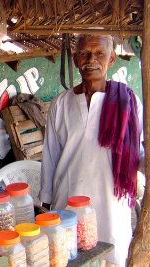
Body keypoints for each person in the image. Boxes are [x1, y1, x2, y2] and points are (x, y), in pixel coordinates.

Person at [39, 35, 144, 266]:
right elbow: (50, 156)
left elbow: (140, 152)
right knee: (68, 257)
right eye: (85, 54)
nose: (91, 60)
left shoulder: (129, 102)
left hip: (112, 205)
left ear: (112, 58)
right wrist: (45, 203)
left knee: (112, 257)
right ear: (75, 59)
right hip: (68, 202)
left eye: (99, 54)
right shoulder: (61, 103)